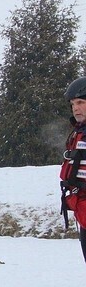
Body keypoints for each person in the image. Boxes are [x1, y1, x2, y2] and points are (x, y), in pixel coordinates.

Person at [61, 77, 86, 261]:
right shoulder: (79, 131)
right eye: (73, 104)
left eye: (80, 102)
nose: (76, 108)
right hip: (82, 205)